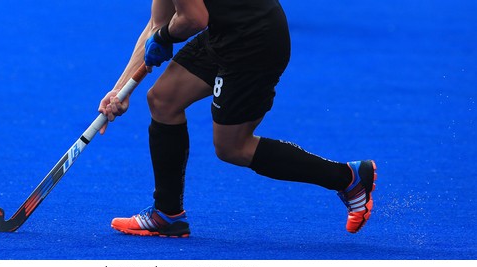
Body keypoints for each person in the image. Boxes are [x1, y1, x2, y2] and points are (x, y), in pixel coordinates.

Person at [98, 0, 376, 237]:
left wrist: (164, 38)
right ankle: (167, 214)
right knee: (163, 99)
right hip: (226, 33)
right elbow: (158, 24)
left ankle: (347, 178)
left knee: (233, 147)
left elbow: (193, 19)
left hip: (255, 42)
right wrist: (120, 90)